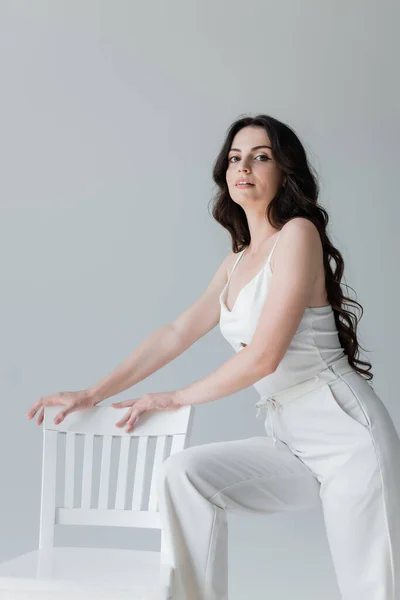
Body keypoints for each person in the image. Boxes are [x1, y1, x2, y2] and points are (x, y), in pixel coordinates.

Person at [26, 114, 400, 600]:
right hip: (288, 436)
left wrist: (173, 397)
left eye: (261, 157)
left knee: (370, 589)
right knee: (186, 476)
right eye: (235, 158)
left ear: (285, 172)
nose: (244, 166)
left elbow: (264, 356)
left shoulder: (298, 235)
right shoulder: (237, 262)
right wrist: (94, 392)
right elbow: (176, 332)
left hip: (345, 435)